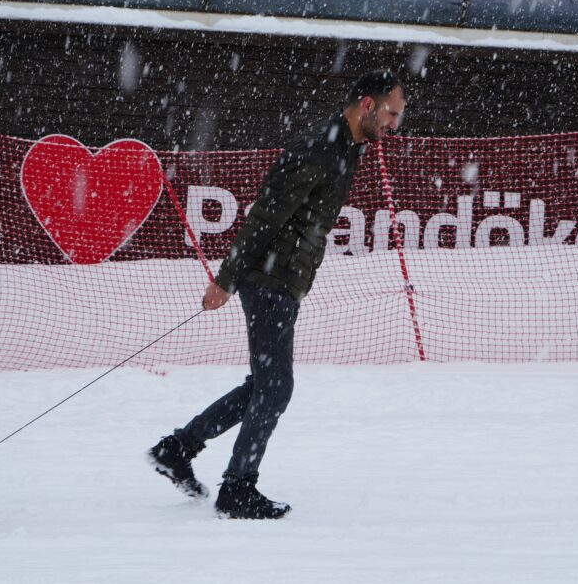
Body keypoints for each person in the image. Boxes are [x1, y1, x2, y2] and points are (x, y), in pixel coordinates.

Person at [149, 69, 407, 519]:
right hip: (269, 277)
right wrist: (226, 280)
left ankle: (178, 448)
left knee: (264, 385)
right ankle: (237, 488)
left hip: (285, 279)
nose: (393, 125)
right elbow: (266, 215)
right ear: (367, 104)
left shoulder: (347, 148)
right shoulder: (322, 147)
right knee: (276, 386)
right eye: (391, 113)